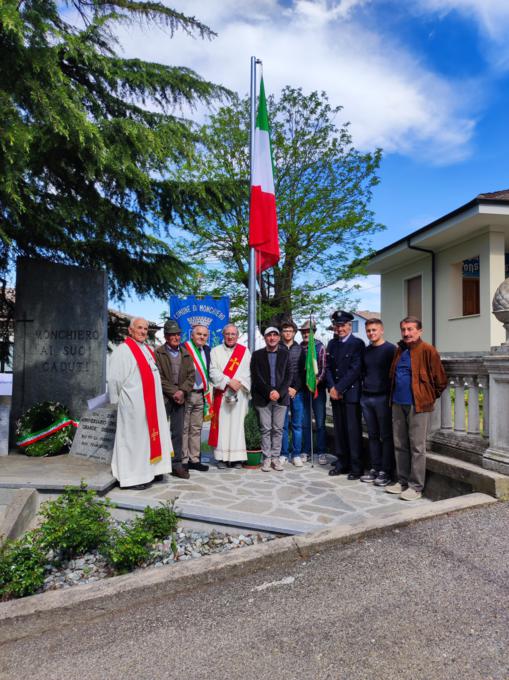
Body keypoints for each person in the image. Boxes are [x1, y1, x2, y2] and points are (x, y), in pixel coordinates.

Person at [386, 316, 447, 501]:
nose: (406, 333)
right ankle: (402, 481)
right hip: (397, 403)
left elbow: (441, 381)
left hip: (417, 406)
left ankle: (415, 486)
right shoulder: (400, 350)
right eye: (404, 329)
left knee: (417, 447)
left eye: (410, 329)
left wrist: (426, 397)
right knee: (400, 444)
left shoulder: (428, 350)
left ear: (419, 331)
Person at [108, 317, 172, 490]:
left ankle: (152, 471)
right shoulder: (123, 351)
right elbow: (114, 379)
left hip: (151, 405)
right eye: (139, 328)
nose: (143, 331)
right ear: (130, 330)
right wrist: (117, 403)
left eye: (145, 328)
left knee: (149, 439)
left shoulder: (147, 350)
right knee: (134, 441)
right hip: (133, 407)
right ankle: (133, 477)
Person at [326, 310, 365, 479]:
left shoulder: (358, 344)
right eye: (337, 325)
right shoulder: (332, 344)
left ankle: (356, 467)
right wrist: (331, 388)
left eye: (342, 325)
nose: (340, 329)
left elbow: (355, 369)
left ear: (349, 326)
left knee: (353, 431)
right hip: (335, 394)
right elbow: (327, 367)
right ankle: (341, 463)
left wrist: (339, 388)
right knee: (339, 431)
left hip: (350, 394)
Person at [154, 319, 195, 480]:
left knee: (178, 433)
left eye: (178, 334)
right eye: (172, 335)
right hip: (164, 398)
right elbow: (158, 376)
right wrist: (174, 392)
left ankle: (176, 465)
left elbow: (192, 376)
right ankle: (158, 465)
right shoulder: (158, 353)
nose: (176, 337)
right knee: (159, 432)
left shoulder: (185, 353)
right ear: (166, 336)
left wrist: (182, 391)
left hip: (181, 399)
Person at [359, 318, 396, 487]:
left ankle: (385, 471)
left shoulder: (390, 350)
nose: (371, 333)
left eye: (374, 330)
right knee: (372, 435)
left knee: (386, 436)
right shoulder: (366, 351)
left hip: (383, 398)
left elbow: (394, 374)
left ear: (381, 330)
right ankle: (375, 467)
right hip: (367, 397)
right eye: (368, 331)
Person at [209, 324, 251, 468]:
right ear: (223, 335)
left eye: (233, 334)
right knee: (223, 425)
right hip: (223, 393)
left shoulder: (244, 352)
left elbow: (249, 372)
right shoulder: (215, 351)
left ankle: (237, 457)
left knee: (237, 425)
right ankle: (221, 458)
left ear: (237, 335)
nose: (230, 336)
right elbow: (213, 371)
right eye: (228, 334)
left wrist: (240, 382)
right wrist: (228, 381)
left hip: (239, 392)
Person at [251, 326, 290, 472]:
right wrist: (269, 391)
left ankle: (275, 458)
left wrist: (279, 392)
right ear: (265, 338)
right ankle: (266, 458)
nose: (272, 338)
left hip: (281, 398)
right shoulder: (257, 355)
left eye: (275, 335)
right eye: (269, 335)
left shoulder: (285, 354)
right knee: (266, 429)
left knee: (278, 429)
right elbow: (256, 377)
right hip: (263, 397)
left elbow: (288, 376)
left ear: (279, 338)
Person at [182, 324, 212, 472]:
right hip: (187, 394)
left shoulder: (207, 350)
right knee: (184, 428)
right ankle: (183, 459)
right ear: (192, 335)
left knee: (196, 428)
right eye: (199, 334)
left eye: (205, 335)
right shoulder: (183, 348)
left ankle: (194, 458)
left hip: (201, 394)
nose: (201, 337)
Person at [299, 320, 327, 465]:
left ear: (313, 332)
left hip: (317, 390)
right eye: (303, 332)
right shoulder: (299, 348)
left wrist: (317, 380)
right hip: (303, 390)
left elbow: (323, 368)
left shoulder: (319, 347)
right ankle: (306, 450)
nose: (305, 334)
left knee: (320, 422)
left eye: (308, 332)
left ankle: (321, 451)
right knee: (305, 422)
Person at [280, 319, 306, 467]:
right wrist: (285, 388)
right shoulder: (278, 348)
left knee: (297, 425)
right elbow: (277, 372)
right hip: (283, 392)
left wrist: (295, 388)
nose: (287, 333)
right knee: (283, 426)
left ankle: (296, 454)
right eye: (285, 331)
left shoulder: (300, 349)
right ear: (282, 333)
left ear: (294, 333)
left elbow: (303, 373)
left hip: (297, 392)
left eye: (290, 331)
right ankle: (284, 453)